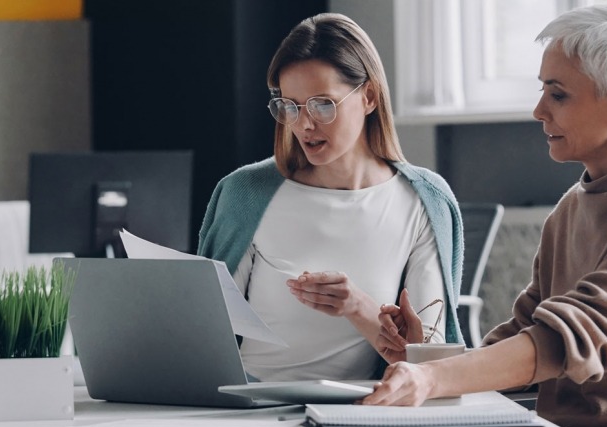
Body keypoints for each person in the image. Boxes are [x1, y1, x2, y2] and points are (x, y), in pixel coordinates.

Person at [366, 5, 607, 427]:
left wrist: (431, 378)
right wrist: (425, 357)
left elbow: (563, 344)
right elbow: (525, 340)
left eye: (558, 95)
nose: (539, 110)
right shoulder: (571, 209)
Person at [197, 12, 465, 382]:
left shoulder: (423, 201)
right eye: (290, 106)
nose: (304, 124)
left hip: (360, 410)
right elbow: (204, 335)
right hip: (250, 404)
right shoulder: (247, 194)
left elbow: (427, 359)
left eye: (323, 104)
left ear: (369, 97)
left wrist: (357, 305)